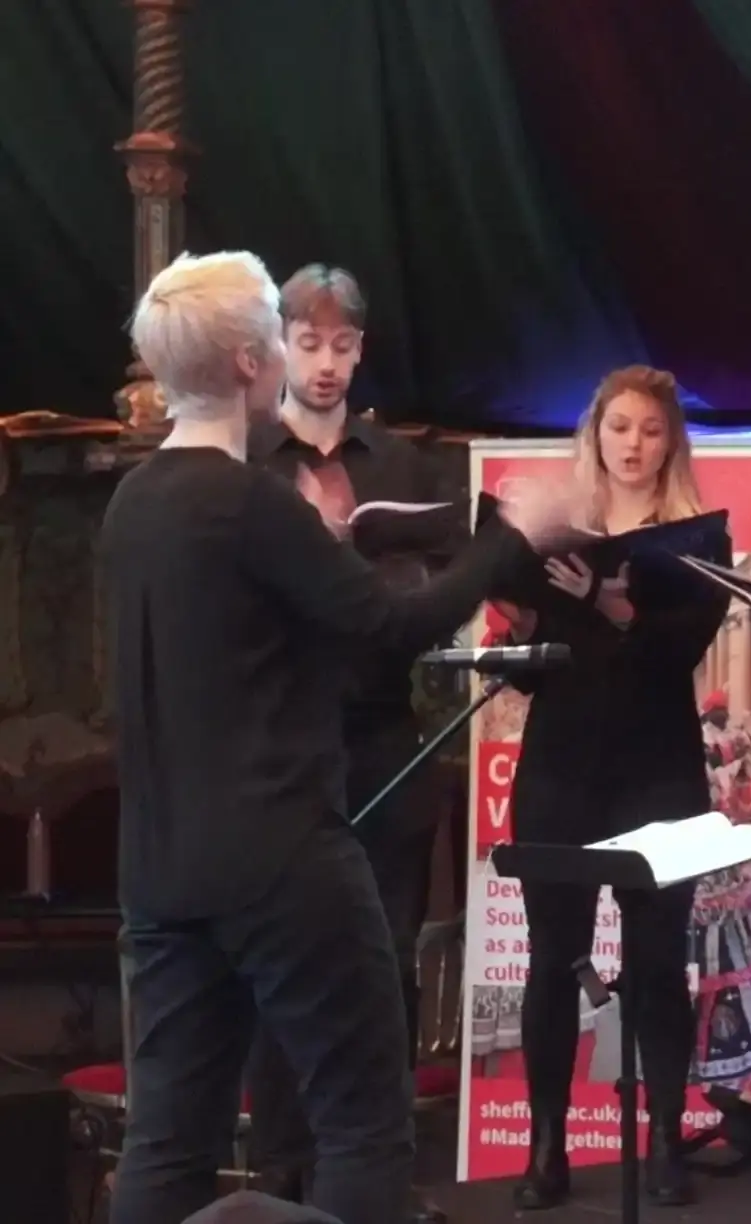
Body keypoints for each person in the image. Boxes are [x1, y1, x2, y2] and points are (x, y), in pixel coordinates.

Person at [100, 250, 563, 1224]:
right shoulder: (251, 500)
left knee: (169, 1139)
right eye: (276, 329)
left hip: (159, 863)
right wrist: (511, 539)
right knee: (361, 1122)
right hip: (278, 853)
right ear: (244, 362)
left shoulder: (134, 502)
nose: (285, 348)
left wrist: (317, 560)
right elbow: (391, 626)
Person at [239, 264, 455, 1217]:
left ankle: (374, 1163)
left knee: (385, 952)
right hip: (279, 738)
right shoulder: (244, 454)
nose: (325, 364)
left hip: (380, 732)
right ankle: (280, 1161)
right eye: (308, 343)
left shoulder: (402, 465)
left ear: (361, 349)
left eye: (341, 345)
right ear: (280, 343)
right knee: (282, 950)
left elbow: (448, 592)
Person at [492, 365, 730, 1210]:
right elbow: (535, 676)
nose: (633, 444)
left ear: (671, 441)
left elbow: (677, 656)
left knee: (659, 964)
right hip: (561, 769)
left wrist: (613, 604)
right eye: (619, 427)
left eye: (650, 430)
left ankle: (667, 1140)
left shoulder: (698, 542)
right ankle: (545, 1151)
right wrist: (519, 622)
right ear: (595, 434)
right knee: (553, 964)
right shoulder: (558, 532)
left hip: (658, 772)